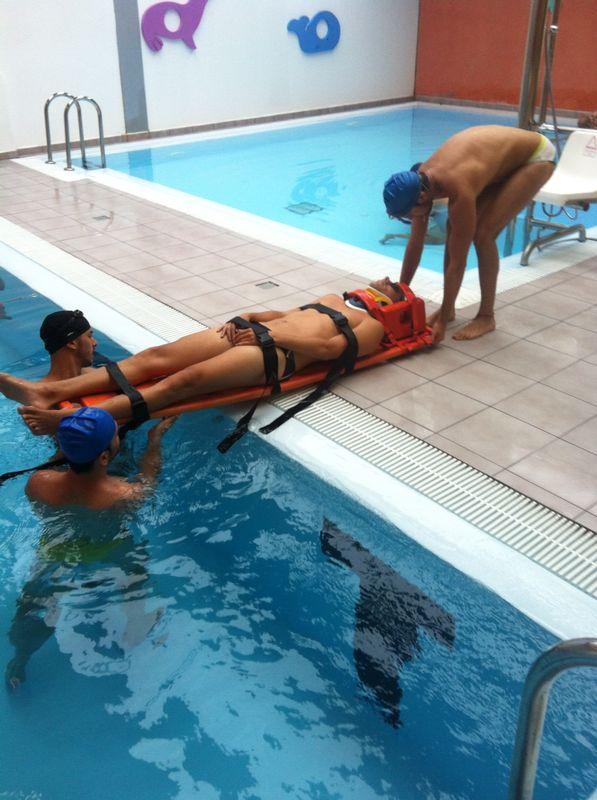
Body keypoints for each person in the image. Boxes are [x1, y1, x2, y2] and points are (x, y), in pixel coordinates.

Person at [0, 278, 404, 436]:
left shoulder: (372, 326)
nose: (385, 279)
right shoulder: (331, 296)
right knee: (155, 357)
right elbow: (282, 314)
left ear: (393, 301)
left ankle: (74, 418)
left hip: (278, 354)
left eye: (394, 285)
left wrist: (271, 334)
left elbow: (330, 351)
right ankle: (46, 392)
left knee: (181, 383)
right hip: (253, 333)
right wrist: (250, 317)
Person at [383, 125, 556, 342]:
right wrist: (401, 297)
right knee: (453, 228)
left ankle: (486, 317)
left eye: (409, 215)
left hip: (535, 157)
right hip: (497, 162)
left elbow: (458, 262)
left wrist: (441, 322)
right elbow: (415, 244)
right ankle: (449, 308)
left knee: (483, 235)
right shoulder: (419, 182)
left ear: (421, 199)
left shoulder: (457, 187)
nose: (412, 220)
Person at [25, 406, 176, 509]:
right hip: (106, 546)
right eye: (116, 436)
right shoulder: (125, 495)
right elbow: (149, 479)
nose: (118, 438)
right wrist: (155, 439)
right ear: (104, 458)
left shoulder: (37, 482)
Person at [38, 309, 97, 382]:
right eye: (89, 336)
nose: (95, 343)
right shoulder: (97, 378)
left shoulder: (97, 377)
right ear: (71, 343)